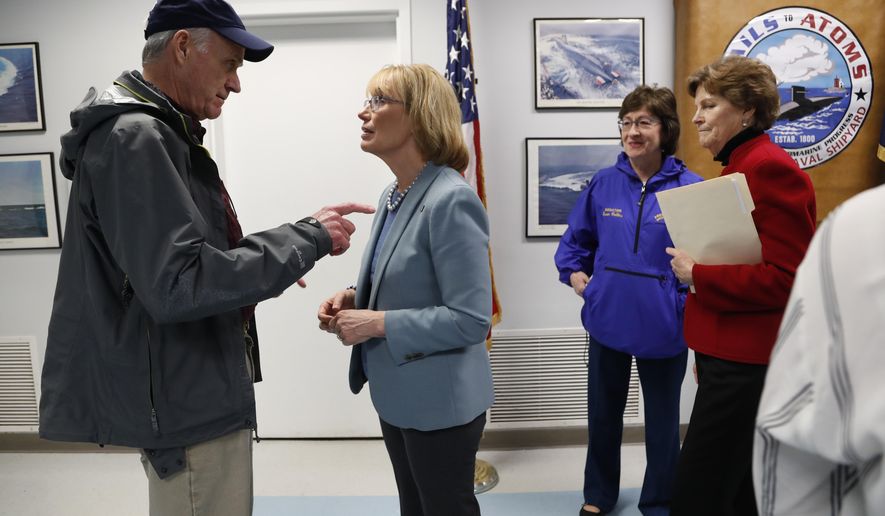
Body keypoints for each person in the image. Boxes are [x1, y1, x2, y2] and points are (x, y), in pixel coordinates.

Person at [38, 1, 374, 515]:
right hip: (186, 401)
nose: (236, 83)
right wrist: (305, 240)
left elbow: (185, 259)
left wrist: (288, 245)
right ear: (181, 47)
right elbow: (180, 283)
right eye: (230, 63)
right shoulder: (138, 138)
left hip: (185, 388)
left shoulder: (156, 132)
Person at [317, 63, 493, 516]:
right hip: (401, 391)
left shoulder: (450, 198)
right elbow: (411, 273)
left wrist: (374, 322)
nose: (363, 113)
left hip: (441, 401)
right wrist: (357, 296)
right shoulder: (395, 193)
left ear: (419, 116)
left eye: (378, 101)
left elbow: (471, 320)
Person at [666, 55, 816, 516]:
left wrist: (699, 275)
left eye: (709, 105)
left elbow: (788, 278)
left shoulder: (768, 167)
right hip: (727, 357)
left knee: (698, 494)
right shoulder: (739, 165)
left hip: (746, 366)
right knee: (737, 493)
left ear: (747, 109)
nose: (695, 117)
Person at [554, 85, 703, 516]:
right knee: (603, 417)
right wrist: (576, 275)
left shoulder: (691, 188)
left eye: (644, 122)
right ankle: (598, 496)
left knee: (661, 425)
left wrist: (679, 302)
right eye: (626, 122)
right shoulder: (603, 183)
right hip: (608, 322)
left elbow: (706, 259)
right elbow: (575, 243)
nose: (632, 132)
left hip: (664, 327)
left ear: (666, 129)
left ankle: (659, 501)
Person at [753, 184, 885, 516]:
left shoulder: (862, 228)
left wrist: (697, 273)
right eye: (626, 125)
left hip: (748, 347)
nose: (696, 126)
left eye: (642, 124)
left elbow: (789, 443)